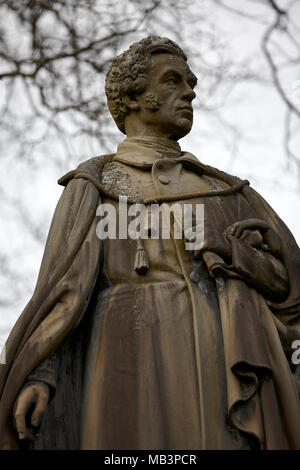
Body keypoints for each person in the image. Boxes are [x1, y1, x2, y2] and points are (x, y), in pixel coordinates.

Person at [0, 35, 300, 450]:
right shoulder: (95, 185)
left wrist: (233, 252)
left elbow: (291, 288)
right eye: (174, 80)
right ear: (134, 97)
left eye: (190, 82)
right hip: (125, 353)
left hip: (220, 360)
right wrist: (40, 373)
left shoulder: (226, 192)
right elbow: (61, 295)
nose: (190, 91)